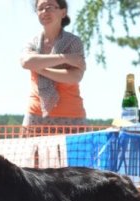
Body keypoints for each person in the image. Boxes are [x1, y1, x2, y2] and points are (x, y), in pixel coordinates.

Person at [20, 0, 86, 129]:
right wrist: (64, 58)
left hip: (71, 115)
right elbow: (26, 62)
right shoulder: (32, 42)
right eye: (41, 8)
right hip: (36, 113)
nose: (45, 11)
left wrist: (40, 68)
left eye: (50, 7)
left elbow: (74, 77)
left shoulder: (74, 42)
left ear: (63, 12)